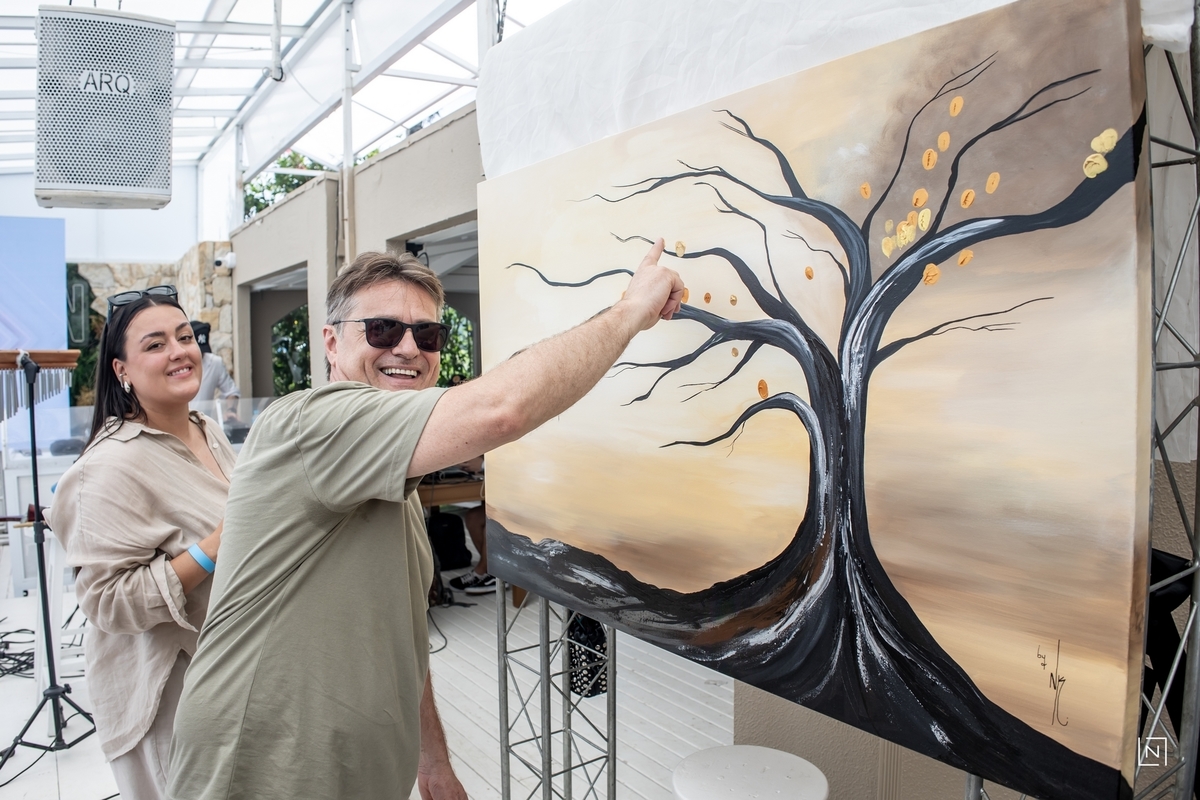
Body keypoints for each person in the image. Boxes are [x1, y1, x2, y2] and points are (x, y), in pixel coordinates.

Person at [167, 240, 683, 800]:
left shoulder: (390, 474)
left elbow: (401, 631)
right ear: (332, 342)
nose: (409, 348)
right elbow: (502, 409)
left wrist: (431, 761)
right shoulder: (310, 422)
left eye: (428, 334)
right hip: (264, 770)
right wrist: (632, 310)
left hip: (353, 770)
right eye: (383, 329)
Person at [45, 286, 234, 800]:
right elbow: (108, 602)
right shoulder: (107, 468)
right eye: (155, 344)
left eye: (184, 337)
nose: (179, 351)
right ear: (121, 370)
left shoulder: (207, 430)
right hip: (169, 699)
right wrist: (212, 547)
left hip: (228, 678)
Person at [188, 320, 240, 421]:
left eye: (202, 351)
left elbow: (232, 391)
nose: (200, 355)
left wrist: (231, 410)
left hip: (203, 423)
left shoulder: (215, 362)